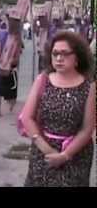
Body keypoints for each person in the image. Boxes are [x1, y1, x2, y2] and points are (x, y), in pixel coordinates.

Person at [21, 31, 95, 187]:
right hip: (42, 152)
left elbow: (87, 128)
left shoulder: (89, 87)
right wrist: (47, 150)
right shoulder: (43, 79)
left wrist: (66, 155)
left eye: (65, 53)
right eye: (55, 54)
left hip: (76, 155)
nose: (59, 58)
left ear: (77, 58)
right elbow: (27, 117)